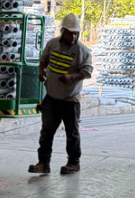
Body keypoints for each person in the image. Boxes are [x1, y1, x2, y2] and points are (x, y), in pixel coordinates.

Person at [29, 13, 94, 176]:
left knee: (72, 132)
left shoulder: (83, 51)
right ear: (62, 31)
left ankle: (73, 162)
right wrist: (41, 70)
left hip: (70, 99)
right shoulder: (52, 44)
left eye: (76, 33)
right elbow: (44, 59)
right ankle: (43, 163)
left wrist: (72, 77)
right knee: (46, 131)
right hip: (51, 97)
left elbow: (87, 71)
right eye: (70, 33)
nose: (73, 36)